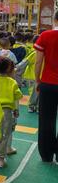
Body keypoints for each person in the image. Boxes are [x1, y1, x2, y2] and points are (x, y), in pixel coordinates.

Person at [34, 15, 58, 162]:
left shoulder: (45, 35)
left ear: (55, 20)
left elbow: (38, 62)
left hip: (48, 84)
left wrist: (38, 80)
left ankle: (46, 154)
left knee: (46, 120)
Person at [0, 56, 22, 168]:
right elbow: (16, 98)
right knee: (4, 135)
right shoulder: (12, 82)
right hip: (6, 111)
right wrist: (16, 110)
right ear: (9, 68)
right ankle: (0, 158)